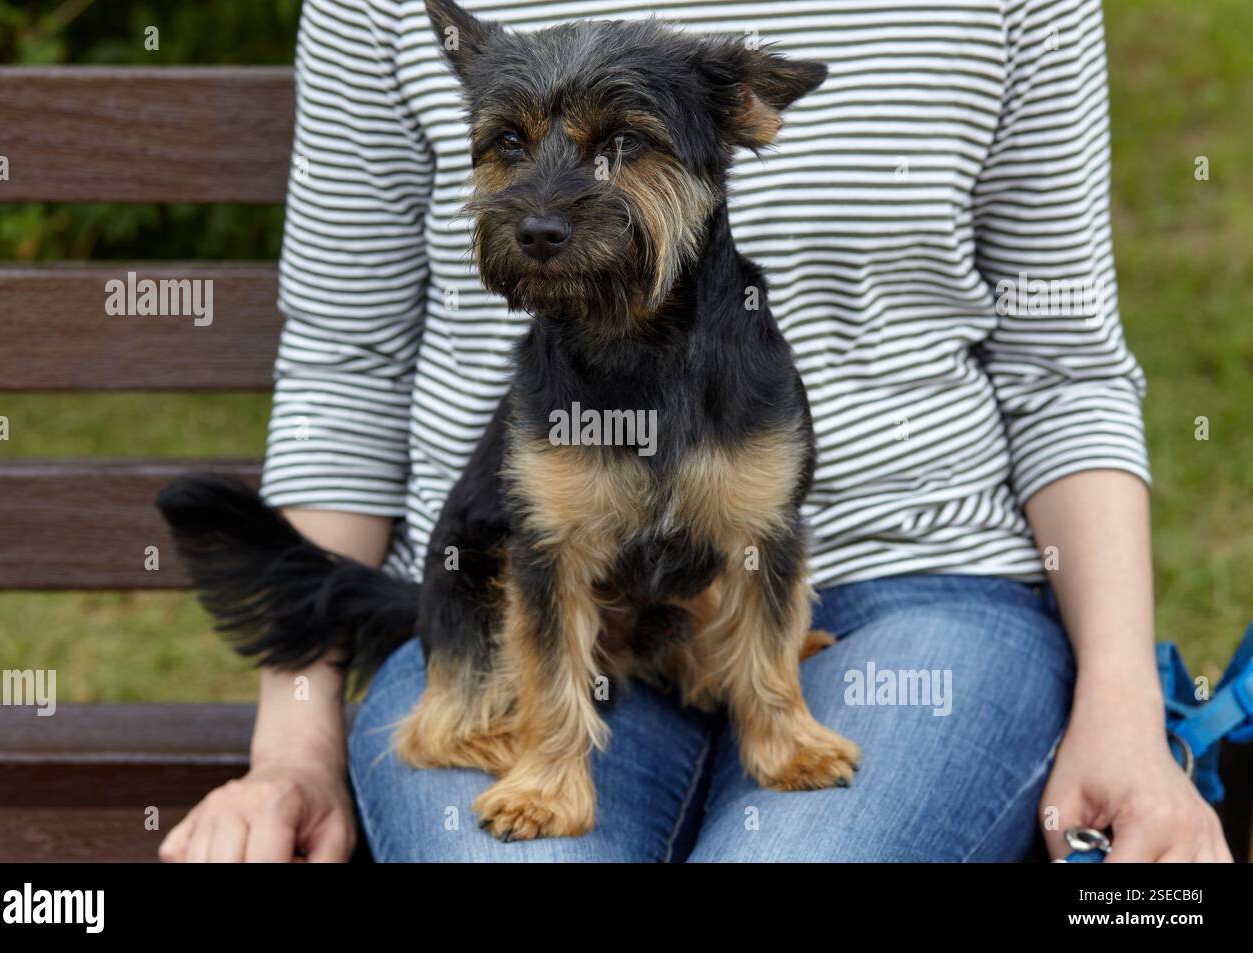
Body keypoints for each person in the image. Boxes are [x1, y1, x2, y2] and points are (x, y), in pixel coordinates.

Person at [159, 0, 1231, 862]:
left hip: (921, 585)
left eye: (619, 150)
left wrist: (1128, 718)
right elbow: (345, 367)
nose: (545, 205)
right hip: (506, 611)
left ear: (742, 123)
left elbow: (1067, 370)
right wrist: (291, 750)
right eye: (514, 150)